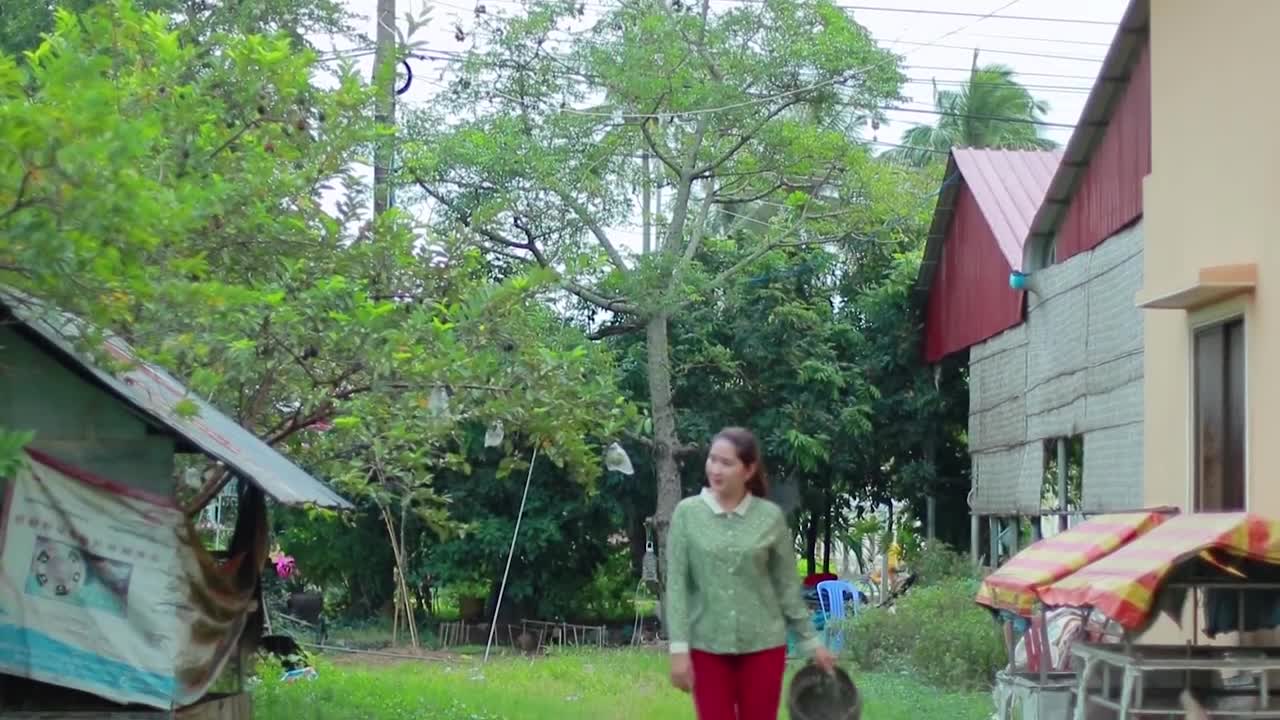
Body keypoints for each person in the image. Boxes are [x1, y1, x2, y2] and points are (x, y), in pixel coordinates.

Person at [665, 426, 838, 720]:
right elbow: (678, 585)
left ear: (748, 470)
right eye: (712, 459)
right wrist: (679, 648)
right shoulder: (687, 514)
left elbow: (786, 587)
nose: (716, 469)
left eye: (727, 463)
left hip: (763, 646)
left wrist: (812, 643)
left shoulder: (769, 518)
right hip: (707, 646)